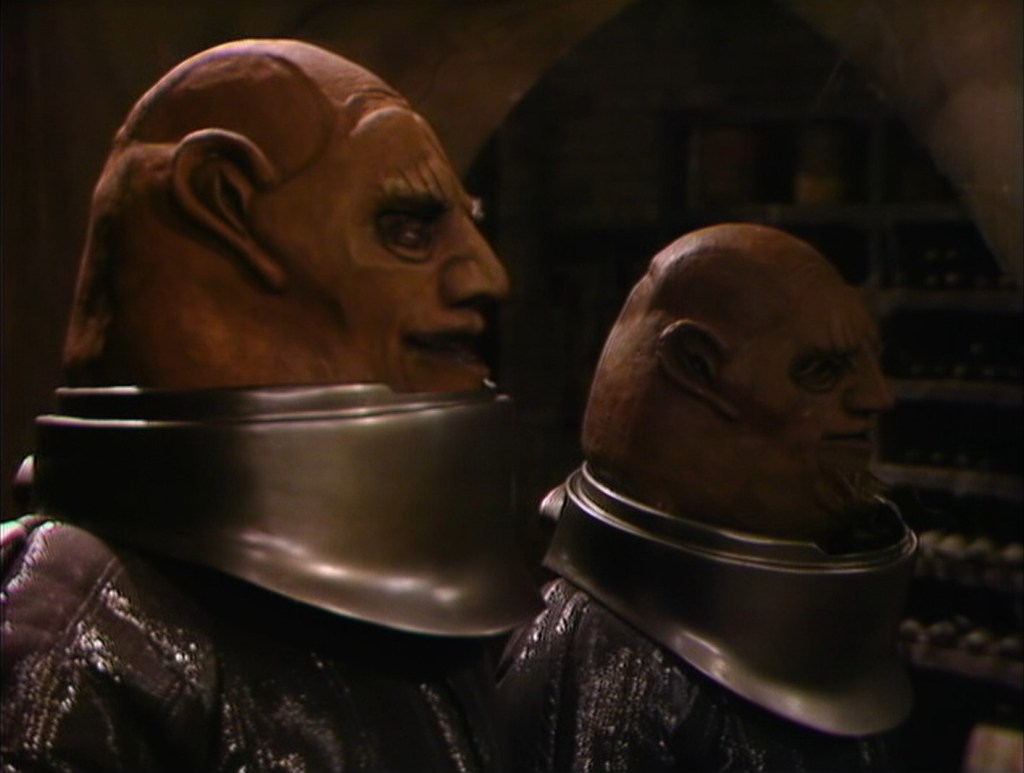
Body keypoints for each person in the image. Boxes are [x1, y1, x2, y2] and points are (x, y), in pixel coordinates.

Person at [1, 39, 540, 772]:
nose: (486, 275)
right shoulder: (86, 626)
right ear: (222, 201)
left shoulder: (428, 606)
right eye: (408, 228)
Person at [497, 223, 919, 771]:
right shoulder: (611, 665)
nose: (877, 397)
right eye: (823, 370)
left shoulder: (820, 647)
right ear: (696, 366)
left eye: (870, 363)